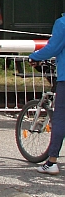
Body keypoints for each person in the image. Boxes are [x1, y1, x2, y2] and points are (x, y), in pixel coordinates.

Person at [29, 14, 65, 174]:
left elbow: (54, 48)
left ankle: (52, 162)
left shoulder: (62, 22)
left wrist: (34, 56)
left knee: (60, 118)